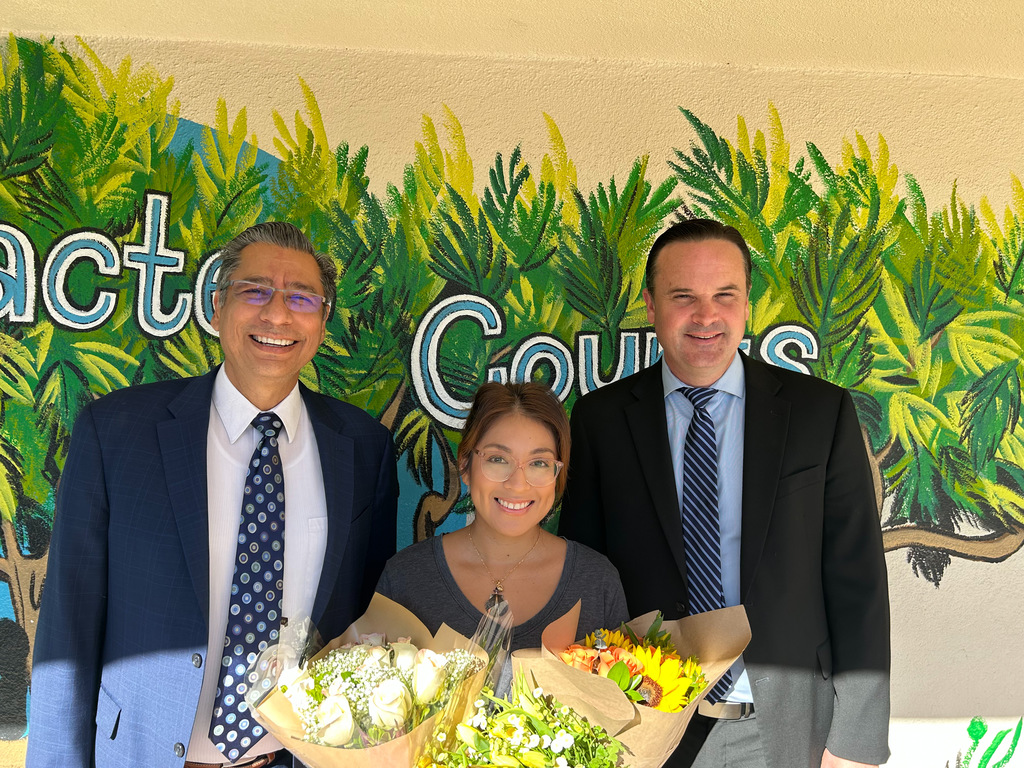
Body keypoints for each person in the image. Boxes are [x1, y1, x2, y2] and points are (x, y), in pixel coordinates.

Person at [28, 222, 398, 768]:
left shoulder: (364, 448)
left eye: (301, 298)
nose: (278, 315)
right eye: (256, 291)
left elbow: (367, 621)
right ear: (218, 306)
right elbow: (68, 629)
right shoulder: (116, 433)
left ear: (321, 325)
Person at [559, 219, 890, 768]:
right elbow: (586, 582)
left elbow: (858, 581)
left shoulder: (819, 413)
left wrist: (855, 741)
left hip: (791, 728)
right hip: (647, 727)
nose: (706, 316)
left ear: (747, 304)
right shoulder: (600, 421)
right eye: (683, 296)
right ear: (650, 305)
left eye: (724, 296)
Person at [377, 381, 628, 657]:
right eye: (498, 459)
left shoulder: (597, 582)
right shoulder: (404, 579)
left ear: (558, 474)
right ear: (465, 464)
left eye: (539, 463)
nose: (517, 484)